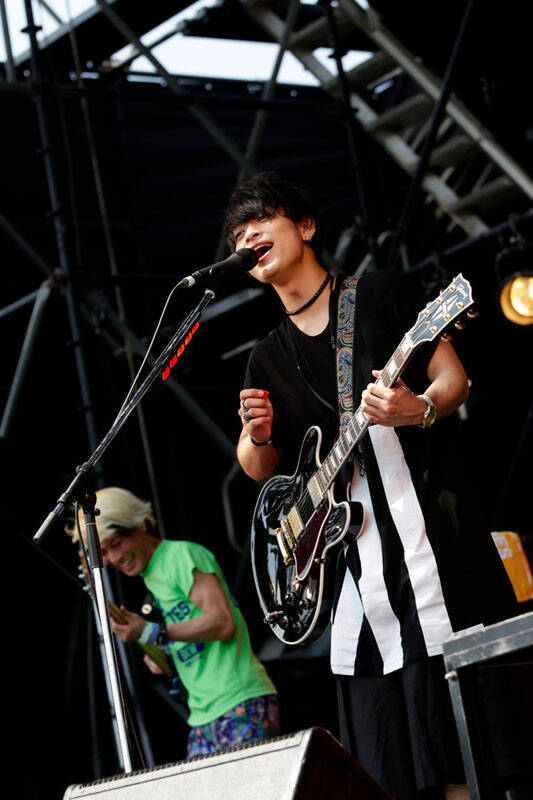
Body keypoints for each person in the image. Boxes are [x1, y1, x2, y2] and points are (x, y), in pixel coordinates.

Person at [225, 172, 517, 800]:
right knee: (396, 777)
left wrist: (419, 410)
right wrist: (256, 436)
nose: (247, 238)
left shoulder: (380, 294)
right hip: (358, 600)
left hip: (436, 560)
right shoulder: (265, 356)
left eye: (262, 220)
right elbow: (259, 467)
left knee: (474, 761)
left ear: (306, 226)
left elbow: (453, 381)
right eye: (237, 235)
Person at [66, 486, 279, 758]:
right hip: (201, 717)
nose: (114, 559)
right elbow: (187, 637)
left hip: (241, 701)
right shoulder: (151, 582)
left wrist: (153, 632)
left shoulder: (180, 556)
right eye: (103, 553)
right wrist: (160, 652)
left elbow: (223, 623)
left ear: (139, 524)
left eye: (116, 543)